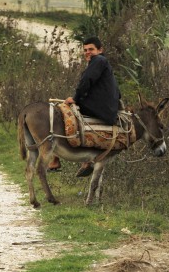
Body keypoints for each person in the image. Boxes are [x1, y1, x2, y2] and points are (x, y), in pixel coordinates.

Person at [48, 36, 121, 177]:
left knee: (63, 111)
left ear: (100, 50)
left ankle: (56, 158)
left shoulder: (99, 60)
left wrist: (75, 99)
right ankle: (82, 158)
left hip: (102, 108)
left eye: (91, 49)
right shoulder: (103, 63)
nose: (87, 52)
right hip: (106, 108)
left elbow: (87, 81)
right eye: (85, 50)